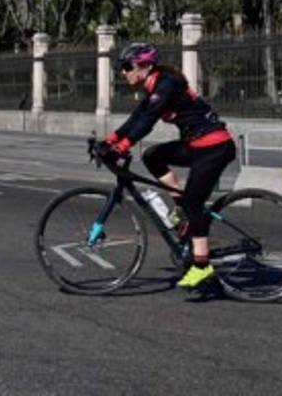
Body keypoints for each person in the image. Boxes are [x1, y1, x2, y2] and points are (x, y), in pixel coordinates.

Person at [98, 42, 236, 291]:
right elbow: (137, 118)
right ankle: (181, 207)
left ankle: (202, 266)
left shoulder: (166, 84)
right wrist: (110, 140)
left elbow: (148, 122)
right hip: (197, 145)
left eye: (128, 66)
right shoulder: (152, 87)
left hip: (214, 147)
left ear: (145, 65)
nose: (123, 72)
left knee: (195, 204)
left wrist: (123, 146)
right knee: (152, 156)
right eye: (122, 67)